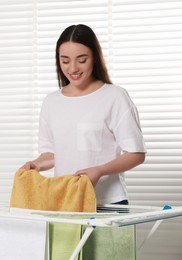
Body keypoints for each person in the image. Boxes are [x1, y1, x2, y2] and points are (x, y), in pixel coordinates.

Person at [20, 24, 146, 205]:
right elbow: (52, 152)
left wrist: (100, 170)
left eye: (81, 60)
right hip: (65, 201)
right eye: (65, 61)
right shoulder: (51, 102)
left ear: (94, 57)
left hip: (107, 203)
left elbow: (136, 153)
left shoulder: (114, 96)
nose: (73, 68)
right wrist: (37, 164)